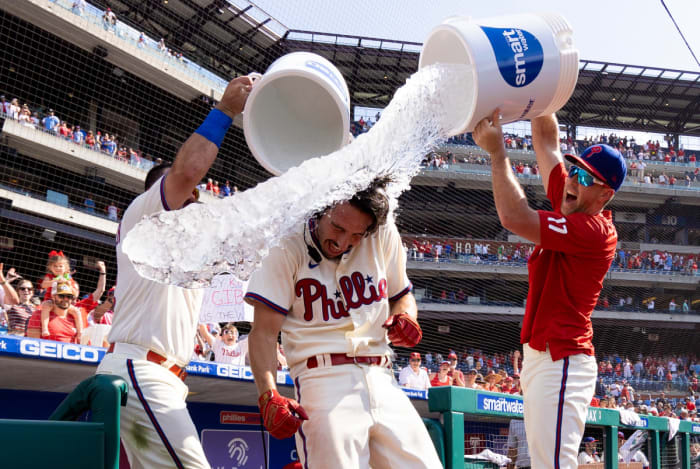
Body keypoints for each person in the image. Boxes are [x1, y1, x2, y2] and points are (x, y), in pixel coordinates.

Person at [95, 75, 253, 469]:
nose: (195, 198)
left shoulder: (188, 254)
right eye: (190, 196)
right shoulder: (143, 216)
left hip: (160, 375)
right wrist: (226, 111)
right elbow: (186, 174)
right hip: (141, 370)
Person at [245, 178, 442, 468]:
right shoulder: (285, 243)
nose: (341, 241)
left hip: (383, 377)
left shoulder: (382, 232)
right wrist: (268, 394)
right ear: (320, 207)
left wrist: (407, 316)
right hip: (323, 380)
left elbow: (403, 296)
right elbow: (263, 332)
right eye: (337, 227)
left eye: (356, 234)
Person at [473, 110, 626, 469]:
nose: (571, 179)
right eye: (573, 169)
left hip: (563, 360)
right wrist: (541, 88)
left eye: (584, 176)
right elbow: (545, 140)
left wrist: (497, 153)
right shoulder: (573, 196)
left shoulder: (595, 229)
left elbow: (515, 218)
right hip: (543, 358)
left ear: (605, 193)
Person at [39, 251, 82, 339]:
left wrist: (69, 285)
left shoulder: (68, 278)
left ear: (66, 268)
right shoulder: (50, 276)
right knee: (46, 307)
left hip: (64, 303)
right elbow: (43, 285)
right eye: (55, 266)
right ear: (50, 267)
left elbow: (75, 294)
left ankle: (80, 331)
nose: (58, 268)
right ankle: (45, 328)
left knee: (76, 311)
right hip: (50, 300)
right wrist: (54, 281)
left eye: (60, 266)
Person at [0, 264, 33, 336]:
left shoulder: (37, 308)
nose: (26, 291)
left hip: (31, 341)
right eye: (23, 288)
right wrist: (4, 280)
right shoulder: (13, 305)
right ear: (18, 291)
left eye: (29, 289)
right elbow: (9, 295)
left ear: (33, 292)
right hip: (14, 339)